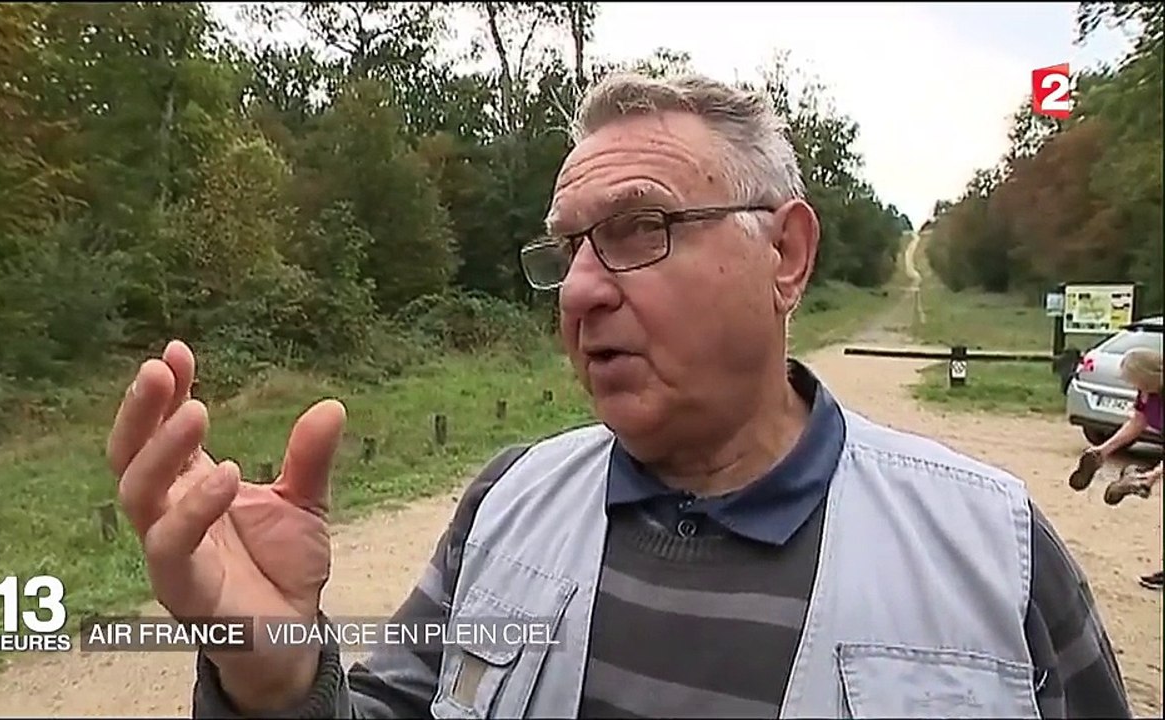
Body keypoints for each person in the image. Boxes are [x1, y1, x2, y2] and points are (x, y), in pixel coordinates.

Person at [107, 72, 1133, 718]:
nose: (585, 287)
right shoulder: (503, 508)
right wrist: (276, 677)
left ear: (784, 254)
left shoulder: (988, 551)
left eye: (641, 228)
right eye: (566, 249)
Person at [1069, 348, 1163, 590]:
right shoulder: (1146, 393)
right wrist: (1103, 450)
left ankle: (1138, 480)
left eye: (1132, 379)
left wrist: (1154, 474)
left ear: (1147, 375)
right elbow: (1138, 423)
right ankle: (1136, 480)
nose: (1130, 384)